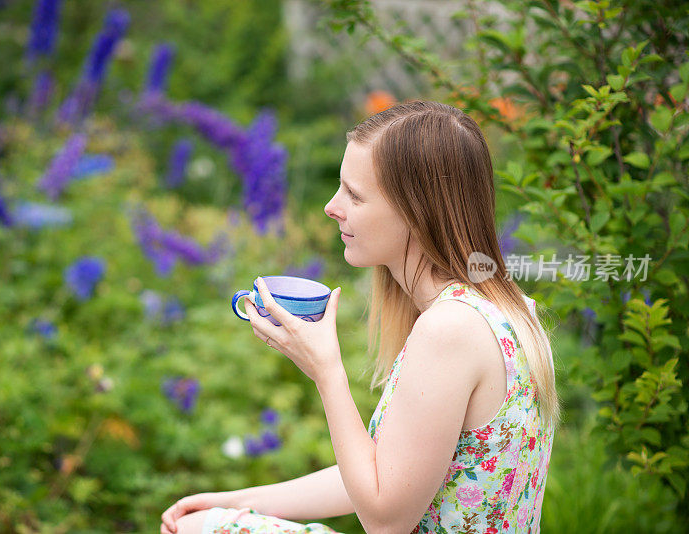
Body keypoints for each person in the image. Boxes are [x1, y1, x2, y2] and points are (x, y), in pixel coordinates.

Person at [161, 100, 559, 534]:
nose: (332, 207)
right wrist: (239, 502)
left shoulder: (450, 329)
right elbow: (391, 476)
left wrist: (326, 371)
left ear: (416, 211)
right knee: (207, 523)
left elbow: (385, 520)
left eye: (354, 194)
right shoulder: (510, 311)